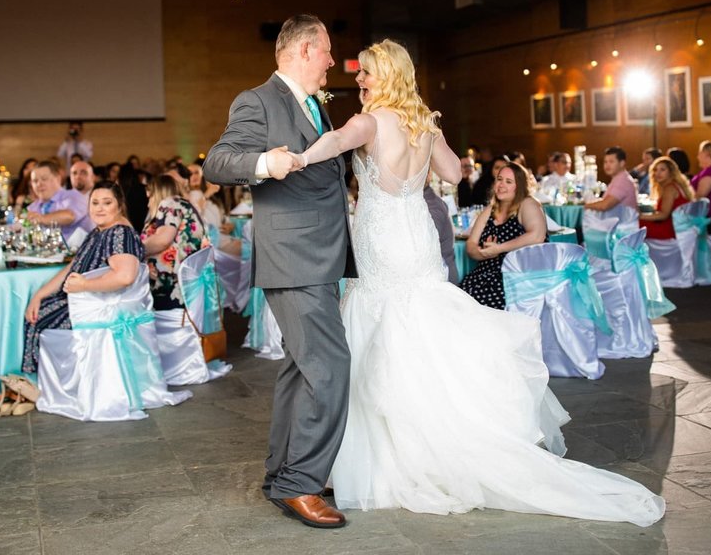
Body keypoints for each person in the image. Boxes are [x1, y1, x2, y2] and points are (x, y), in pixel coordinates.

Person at [281, 39, 664, 525]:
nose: (358, 81)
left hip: (383, 238)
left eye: (367, 74)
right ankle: (436, 432)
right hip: (416, 232)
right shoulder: (422, 122)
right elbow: (452, 172)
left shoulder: (367, 122)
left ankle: (394, 454)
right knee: (420, 322)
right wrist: (433, 130)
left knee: (384, 323)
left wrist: (291, 160)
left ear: (389, 76)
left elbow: (332, 145)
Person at [203, 13, 354, 529]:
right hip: (293, 257)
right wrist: (266, 163)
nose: (334, 61)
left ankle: (284, 474)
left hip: (321, 255)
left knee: (301, 368)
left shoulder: (314, 104)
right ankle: (302, 483)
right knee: (330, 369)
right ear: (306, 49)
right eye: (328, 51)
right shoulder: (259, 100)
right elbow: (218, 162)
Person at [21, 181, 145, 374]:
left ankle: (47, 385)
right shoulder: (99, 231)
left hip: (97, 307)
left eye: (107, 203)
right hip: (83, 299)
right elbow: (72, 267)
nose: (100, 208)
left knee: (41, 320)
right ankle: (37, 384)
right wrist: (39, 295)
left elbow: (125, 276)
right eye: (95, 203)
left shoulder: (120, 233)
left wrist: (85, 285)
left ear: (119, 205)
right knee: (35, 311)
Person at [460, 161, 548, 309]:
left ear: (519, 186)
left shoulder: (527, 203)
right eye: (499, 179)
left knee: (481, 305)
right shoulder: (490, 210)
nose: (501, 185)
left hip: (515, 277)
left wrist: (499, 248)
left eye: (508, 182)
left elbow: (537, 236)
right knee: (459, 299)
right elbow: (471, 244)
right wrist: (484, 254)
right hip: (483, 276)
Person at [141, 174, 212, 311]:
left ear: (159, 193)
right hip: (185, 284)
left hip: (172, 285)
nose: (149, 203)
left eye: (150, 198)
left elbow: (162, 240)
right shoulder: (183, 204)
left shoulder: (170, 203)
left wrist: (133, 250)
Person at [26, 160, 93, 242]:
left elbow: (69, 216)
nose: (39, 184)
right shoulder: (33, 207)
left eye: (44, 179)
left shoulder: (75, 196)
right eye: (35, 181)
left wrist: (41, 218)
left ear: (57, 178)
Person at [639, 156, 694, 239]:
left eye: (662, 170)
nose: (657, 173)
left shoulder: (670, 188)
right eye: (655, 170)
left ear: (671, 172)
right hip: (680, 229)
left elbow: (664, 215)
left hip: (671, 231)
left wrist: (640, 216)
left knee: (634, 225)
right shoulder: (676, 185)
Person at [585, 146, 638, 211]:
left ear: (622, 163)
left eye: (611, 162)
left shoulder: (623, 181)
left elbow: (605, 205)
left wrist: (583, 206)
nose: (607, 165)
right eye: (605, 162)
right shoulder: (619, 178)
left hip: (621, 221)